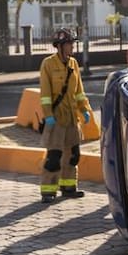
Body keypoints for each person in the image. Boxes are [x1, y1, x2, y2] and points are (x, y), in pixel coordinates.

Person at [38, 28, 93, 204]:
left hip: (71, 117)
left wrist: (84, 109)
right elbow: (45, 94)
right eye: (70, 44)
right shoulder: (48, 64)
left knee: (73, 154)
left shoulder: (74, 64)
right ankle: (48, 190)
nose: (72, 47)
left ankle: (68, 187)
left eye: (73, 43)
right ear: (60, 46)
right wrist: (48, 115)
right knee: (54, 156)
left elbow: (79, 91)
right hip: (56, 117)